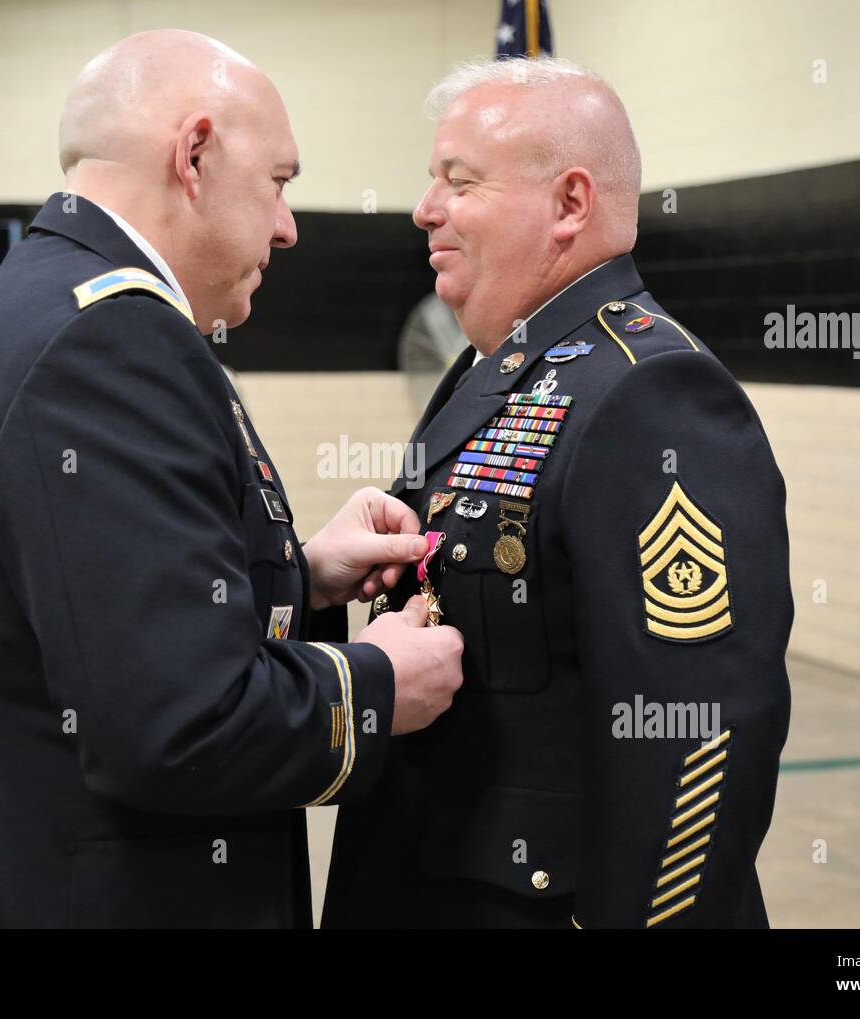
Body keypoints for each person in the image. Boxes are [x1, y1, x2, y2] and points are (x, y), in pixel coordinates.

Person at [0, 30, 463, 929]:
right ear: (192, 156)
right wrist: (376, 681)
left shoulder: (35, 303)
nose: (288, 225)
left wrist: (300, 576)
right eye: (279, 182)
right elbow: (179, 727)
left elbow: (103, 616)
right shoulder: (110, 340)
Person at [323, 56, 792, 929]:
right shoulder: (498, 367)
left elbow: (697, 729)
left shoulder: (651, 393)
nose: (425, 209)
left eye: (457, 182)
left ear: (570, 205)